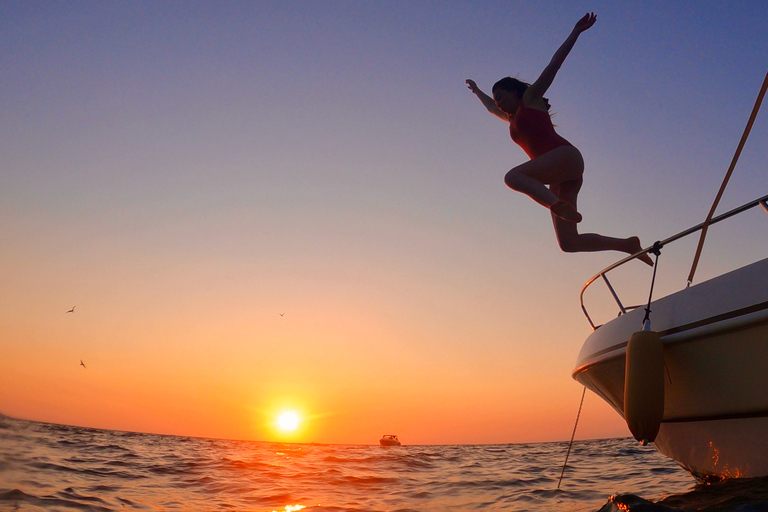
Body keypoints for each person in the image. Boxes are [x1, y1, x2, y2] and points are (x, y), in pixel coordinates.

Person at [466, 13, 653, 266]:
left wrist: (575, 32)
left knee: (513, 177)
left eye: (501, 96)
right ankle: (626, 244)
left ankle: (555, 205)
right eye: (496, 98)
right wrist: (477, 91)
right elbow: (490, 108)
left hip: (566, 157)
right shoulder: (510, 119)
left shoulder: (530, 99)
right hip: (561, 176)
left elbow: (555, 63)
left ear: (515, 91)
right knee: (568, 244)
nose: (498, 101)